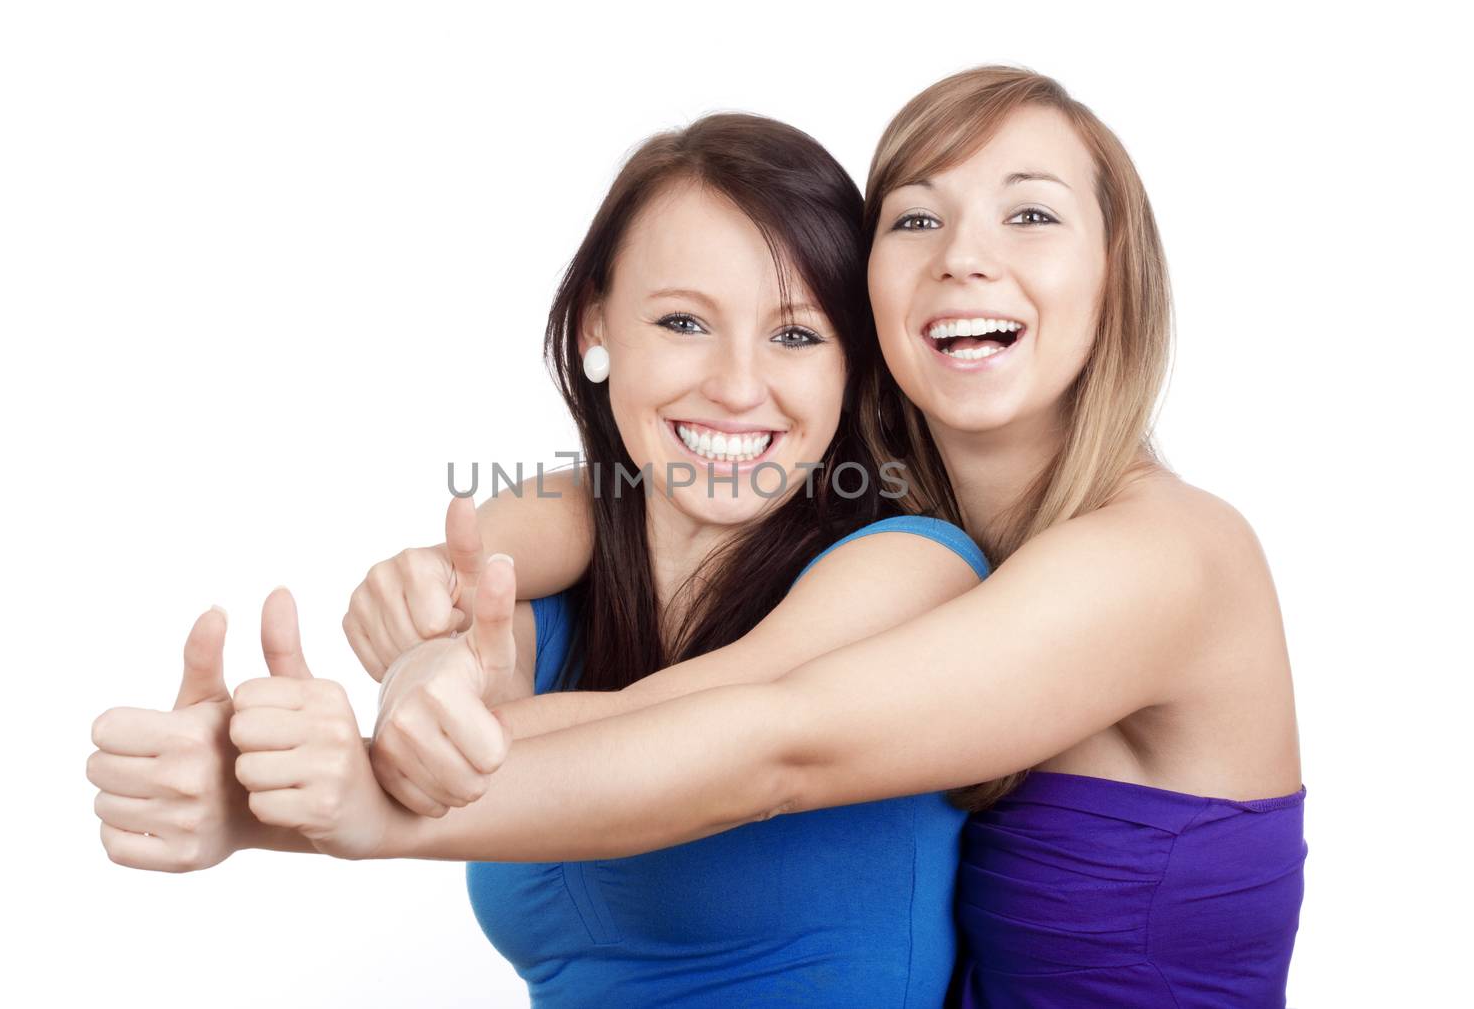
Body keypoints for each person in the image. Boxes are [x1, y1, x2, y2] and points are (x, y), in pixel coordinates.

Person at [320, 67, 1307, 1007]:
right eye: (917, 217)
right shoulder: (906, 523)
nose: (962, 254)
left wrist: (367, 782)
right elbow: (622, 490)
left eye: (1031, 212)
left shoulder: (1163, 555)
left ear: (1116, 280)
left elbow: (775, 741)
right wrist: (444, 606)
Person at [89, 113, 991, 1006]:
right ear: (598, 323)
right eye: (683, 321)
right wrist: (317, 731)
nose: (738, 384)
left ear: (853, 365)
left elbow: (686, 736)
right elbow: (464, 700)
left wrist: (311, 791)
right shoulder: (546, 599)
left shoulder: (918, 576)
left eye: (797, 335)